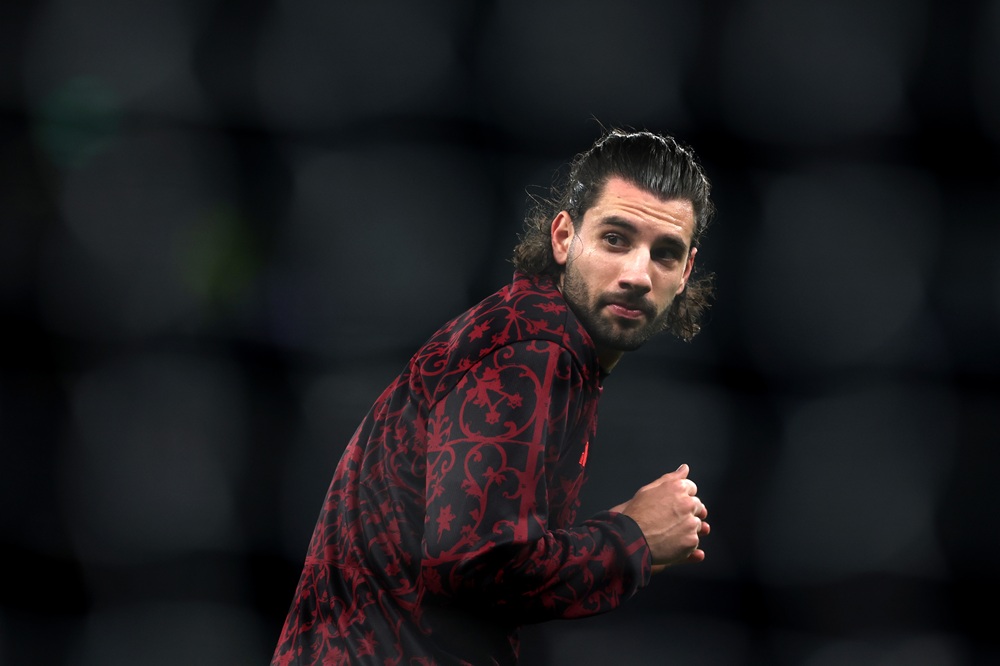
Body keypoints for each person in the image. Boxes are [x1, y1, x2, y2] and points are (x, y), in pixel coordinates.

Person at [271, 127, 716, 666]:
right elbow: (475, 563)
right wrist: (633, 540)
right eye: (615, 239)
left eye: (664, 253)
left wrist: (621, 531)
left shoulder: (535, 335)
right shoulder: (533, 347)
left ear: (686, 271)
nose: (637, 275)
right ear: (563, 237)